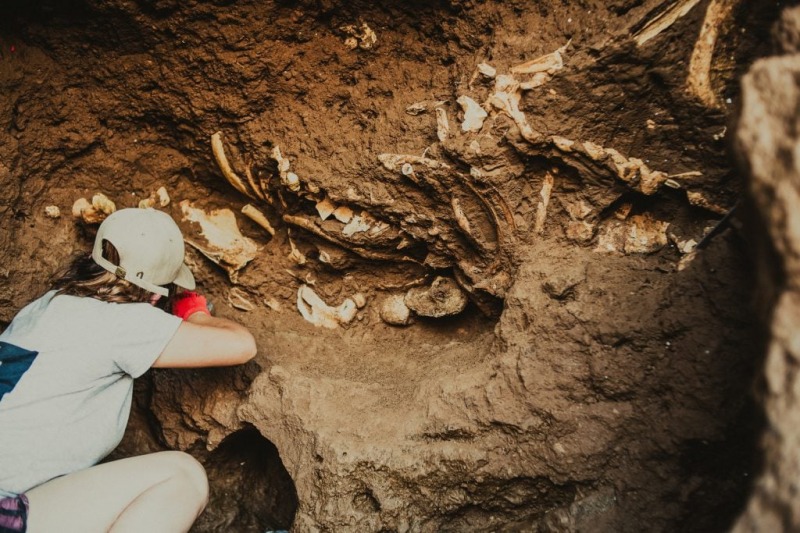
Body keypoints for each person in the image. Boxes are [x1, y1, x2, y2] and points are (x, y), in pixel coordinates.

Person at [0, 208, 257, 533]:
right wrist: (194, 314)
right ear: (153, 294)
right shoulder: (121, 323)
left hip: (14, 502)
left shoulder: (45, 306)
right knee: (183, 476)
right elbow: (241, 345)